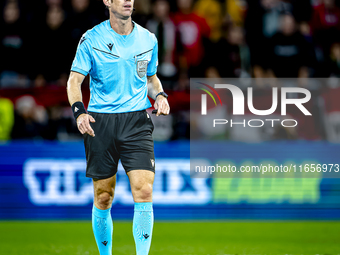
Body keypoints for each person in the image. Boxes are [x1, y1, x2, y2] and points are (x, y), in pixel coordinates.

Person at [66, 0, 170, 254]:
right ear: (107, 1)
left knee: (144, 190)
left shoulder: (148, 40)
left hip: (136, 121)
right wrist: (79, 111)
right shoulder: (91, 39)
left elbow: (150, 79)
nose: (128, 0)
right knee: (103, 196)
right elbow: (74, 81)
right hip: (100, 121)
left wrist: (160, 95)